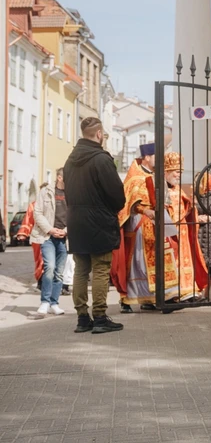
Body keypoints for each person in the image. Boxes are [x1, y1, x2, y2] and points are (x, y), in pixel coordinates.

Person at [64, 117, 126, 334]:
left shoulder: (70, 160)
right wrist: (113, 209)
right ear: (99, 134)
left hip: (76, 220)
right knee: (100, 268)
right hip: (99, 220)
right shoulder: (101, 159)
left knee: (81, 270)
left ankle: (82, 318)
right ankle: (100, 317)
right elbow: (117, 195)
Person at [111, 143, 171, 312]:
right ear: (147, 157)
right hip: (138, 223)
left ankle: (150, 298)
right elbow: (129, 202)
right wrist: (145, 210)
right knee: (137, 261)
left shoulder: (156, 175)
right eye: (156, 157)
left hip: (155, 224)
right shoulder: (135, 177)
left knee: (155, 261)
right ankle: (127, 299)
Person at [164, 152, 210, 301]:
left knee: (185, 260)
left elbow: (185, 209)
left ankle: (188, 290)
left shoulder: (177, 189)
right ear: (167, 171)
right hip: (169, 234)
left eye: (180, 172)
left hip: (182, 232)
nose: (179, 175)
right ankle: (173, 293)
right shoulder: (162, 189)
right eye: (176, 172)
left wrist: (191, 206)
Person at [30, 169, 68, 316]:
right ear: (59, 178)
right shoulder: (45, 192)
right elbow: (37, 213)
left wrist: (65, 231)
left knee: (59, 273)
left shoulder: (73, 194)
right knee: (50, 267)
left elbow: (76, 215)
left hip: (64, 238)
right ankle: (45, 302)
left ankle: (54, 303)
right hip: (47, 237)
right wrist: (50, 229)